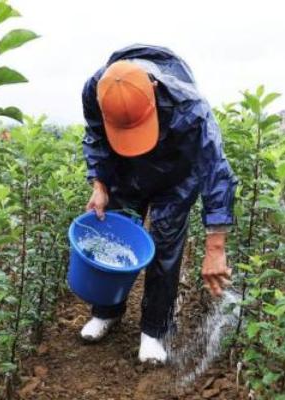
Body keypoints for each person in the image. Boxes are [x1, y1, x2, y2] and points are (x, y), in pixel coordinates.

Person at [79, 44, 238, 364]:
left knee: (164, 251)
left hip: (175, 181)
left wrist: (216, 246)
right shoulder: (95, 90)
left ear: (154, 89)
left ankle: (153, 331)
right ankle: (106, 312)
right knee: (116, 239)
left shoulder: (190, 108)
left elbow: (216, 174)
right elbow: (96, 136)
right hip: (124, 173)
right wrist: (99, 183)